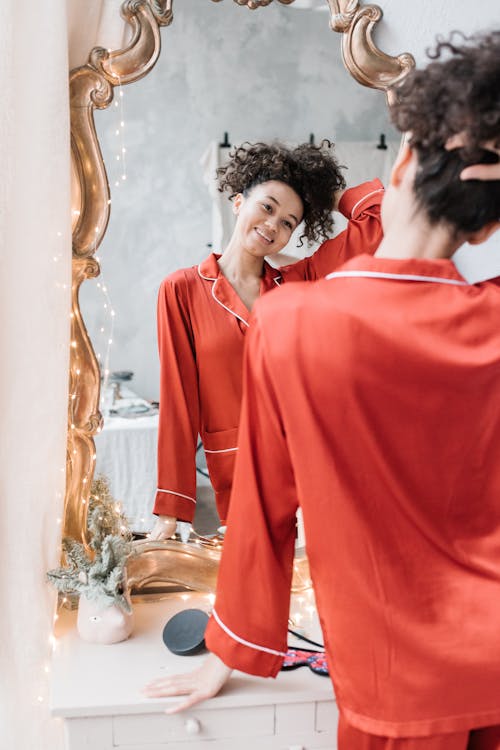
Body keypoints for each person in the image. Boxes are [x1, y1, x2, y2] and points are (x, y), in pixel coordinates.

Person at [144, 31, 500, 749]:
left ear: (400, 161)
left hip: (392, 686)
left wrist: (232, 647)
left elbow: (263, 518)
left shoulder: (293, 319)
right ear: (489, 221)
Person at [149, 140, 384, 539]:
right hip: (238, 471)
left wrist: (324, 193)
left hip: (317, 465)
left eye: (290, 222)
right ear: (238, 201)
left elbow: (378, 224)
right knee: (256, 591)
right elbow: (179, 403)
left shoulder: (302, 281)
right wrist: (171, 510)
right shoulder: (182, 289)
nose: (274, 225)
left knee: (322, 591)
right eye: (268, 207)